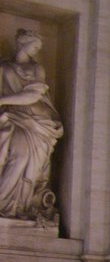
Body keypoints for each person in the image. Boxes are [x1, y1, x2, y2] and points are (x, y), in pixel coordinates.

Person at [0, 30, 63, 221]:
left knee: (33, 166)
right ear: (23, 43)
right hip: (14, 119)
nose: (37, 50)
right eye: (35, 46)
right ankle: (5, 204)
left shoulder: (37, 69)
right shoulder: (4, 67)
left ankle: (22, 206)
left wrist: (2, 100)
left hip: (38, 121)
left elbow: (34, 95)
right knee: (19, 156)